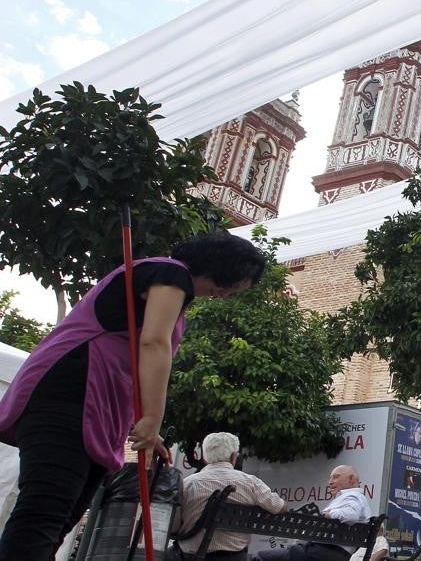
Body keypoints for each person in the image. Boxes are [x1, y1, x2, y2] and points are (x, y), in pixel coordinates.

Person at [0, 231, 266, 560]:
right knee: (43, 516)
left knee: (57, 521)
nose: (224, 295)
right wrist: (152, 418)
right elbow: (153, 343)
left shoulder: (173, 287)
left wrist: (144, 426)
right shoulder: (171, 273)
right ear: (221, 267)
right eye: (231, 284)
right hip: (70, 392)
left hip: (95, 409)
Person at [175, 432, 287, 561]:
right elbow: (280, 507)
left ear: (205, 458)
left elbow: (174, 527)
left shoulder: (187, 484)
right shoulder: (250, 482)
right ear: (234, 456)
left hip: (190, 556)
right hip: (235, 557)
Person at [254, 466, 371, 561]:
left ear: (351, 479)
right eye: (330, 478)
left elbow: (350, 515)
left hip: (320, 553)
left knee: (260, 557)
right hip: (330, 553)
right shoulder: (355, 499)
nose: (330, 482)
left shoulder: (353, 497)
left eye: (336, 477)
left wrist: (328, 513)